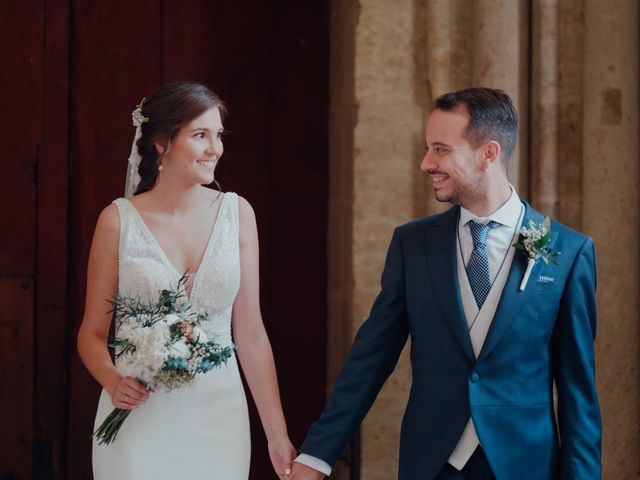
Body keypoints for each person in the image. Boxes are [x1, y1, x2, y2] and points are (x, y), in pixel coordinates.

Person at [291, 88, 601, 479]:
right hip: (433, 464)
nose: (425, 163)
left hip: (524, 466)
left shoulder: (568, 252)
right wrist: (316, 455)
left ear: (488, 153)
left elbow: (578, 393)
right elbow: (370, 359)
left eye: (441, 149)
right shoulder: (413, 245)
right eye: (427, 148)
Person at [77, 81, 295, 479]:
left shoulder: (237, 214)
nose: (216, 148)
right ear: (161, 143)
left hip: (219, 419)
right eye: (200, 136)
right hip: (139, 417)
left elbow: (251, 335)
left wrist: (276, 435)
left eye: (218, 135)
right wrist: (113, 380)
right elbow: (91, 333)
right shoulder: (117, 221)